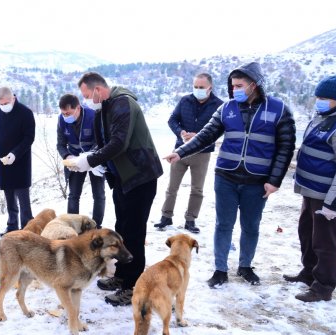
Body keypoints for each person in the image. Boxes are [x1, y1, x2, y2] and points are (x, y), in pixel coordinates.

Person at [164, 62, 296, 288]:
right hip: (226, 178)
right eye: (232, 85)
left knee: (251, 226)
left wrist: (274, 181)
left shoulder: (278, 109)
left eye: (239, 85)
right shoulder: (227, 108)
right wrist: (179, 152)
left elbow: (286, 147)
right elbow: (205, 135)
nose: (234, 89)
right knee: (223, 225)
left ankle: (245, 266)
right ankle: (220, 269)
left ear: (253, 85)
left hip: (257, 182)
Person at [67, 72, 163, 306]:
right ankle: (122, 276)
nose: (86, 100)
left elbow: (120, 142)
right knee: (121, 230)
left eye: (87, 95)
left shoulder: (123, 104)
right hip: (122, 178)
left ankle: (134, 286)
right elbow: (105, 142)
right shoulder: (105, 107)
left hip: (140, 176)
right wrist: (95, 160)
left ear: (98, 90)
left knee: (134, 232)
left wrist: (91, 161)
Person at [286, 74, 336, 302]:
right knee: (307, 234)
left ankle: (323, 287)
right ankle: (308, 273)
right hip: (311, 192)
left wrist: (333, 202)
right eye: (318, 96)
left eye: (325, 97)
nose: (319, 100)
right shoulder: (321, 118)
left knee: (325, 242)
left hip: (327, 196)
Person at [155, 73, 224, 233]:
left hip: (202, 153)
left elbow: (219, 130)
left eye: (201, 87)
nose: (198, 90)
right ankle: (166, 217)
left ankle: (190, 220)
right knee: (172, 186)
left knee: (197, 189)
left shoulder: (219, 106)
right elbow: (172, 120)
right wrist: (181, 132)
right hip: (180, 150)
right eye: (196, 87)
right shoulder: (185, 100)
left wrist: (198, 136)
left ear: (210, 88)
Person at [0, 86, 36, 235]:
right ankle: (12, 226)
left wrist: (15, 154)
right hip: (3, 161)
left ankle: (28, 229)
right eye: (0, 104)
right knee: (9, 196)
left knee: (23, 198)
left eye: (5, 103)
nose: (3, 107)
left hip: (20, 161)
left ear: (13, 98)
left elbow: (29, 138)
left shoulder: (26, 113)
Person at [56, 93, 105, 228]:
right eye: (63, 113)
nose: (66, 116)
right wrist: (67, 156)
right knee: (73, 195)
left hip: (95, 158)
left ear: (78, 108)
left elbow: (101, 141)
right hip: (74, 160)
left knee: (99, 194)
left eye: (68, 113)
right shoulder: (61, 120)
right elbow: (60, 144)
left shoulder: (93, 116)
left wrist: (90, 157)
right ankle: (72, 226)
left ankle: (97, 225)